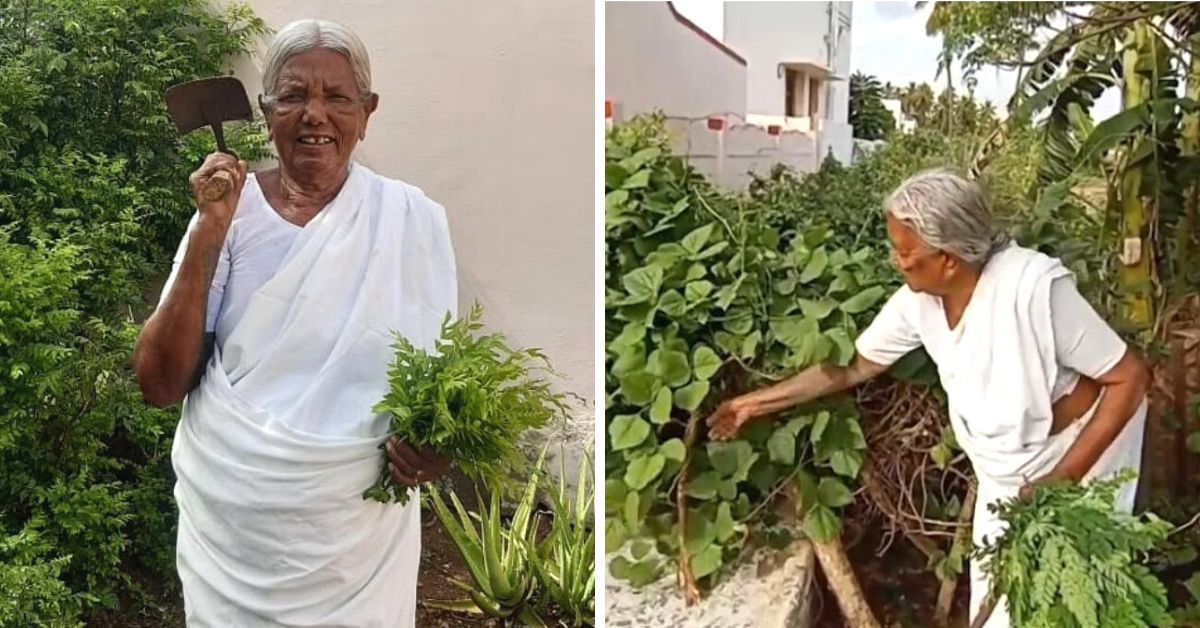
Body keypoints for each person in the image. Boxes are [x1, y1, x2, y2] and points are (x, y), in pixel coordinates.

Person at [707, 169, 1148, 628]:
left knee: (1074, 605)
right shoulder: (917, 303)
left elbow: (1130, 378)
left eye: (906, 253)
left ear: (950, 259)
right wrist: (753, 403)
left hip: (1082, 454)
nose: (898, 263)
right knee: (1002, 610)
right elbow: (853, 367)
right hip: (1004, 472)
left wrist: (1063, 477)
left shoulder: (1032, 288)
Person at [133, 18, 456, 627]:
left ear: (367, 111)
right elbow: (158, 384)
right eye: (294, 96)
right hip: (232, 540)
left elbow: (440, 386)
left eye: (336, 97)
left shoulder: (410, 219)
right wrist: (210, 227)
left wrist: (436, 450)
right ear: (265, 110)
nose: (314, 115)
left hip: (355, 543)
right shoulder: (228, 212)